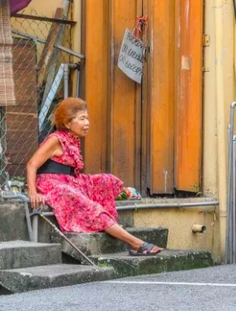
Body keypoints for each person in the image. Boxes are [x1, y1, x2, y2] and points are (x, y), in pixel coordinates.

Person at [26, 97, 162, 256]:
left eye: (87, 118)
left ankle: (116, 208)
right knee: (89, 206)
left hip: (70, 180)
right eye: (82, 119)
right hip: (53, 184)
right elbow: (32, 164)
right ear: (68, 123)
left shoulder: (73, 139)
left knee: (105, 180)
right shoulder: (55, 139)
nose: (87, 123)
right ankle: (136, 243)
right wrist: (32, 192)